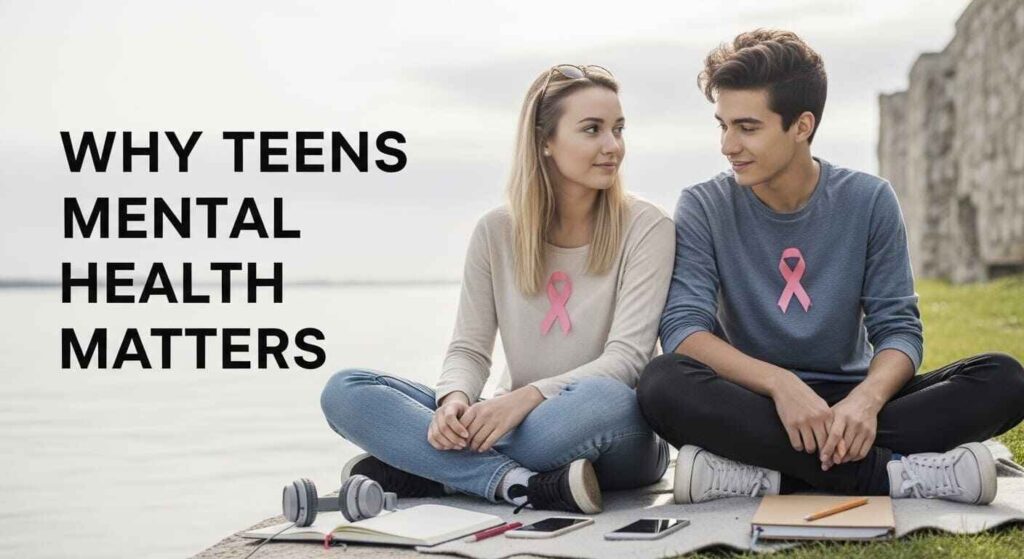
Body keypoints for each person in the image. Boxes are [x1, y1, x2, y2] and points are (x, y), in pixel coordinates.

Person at [638, 30, 1024, 506]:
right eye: (722, 125)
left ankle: (769, 475)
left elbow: (899, 331)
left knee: (1003, 378)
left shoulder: (869, 199)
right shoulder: (704, 204)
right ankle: (894, 477)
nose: (727, 145)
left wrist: (866, 401)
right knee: (662, 383)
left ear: (801, 126)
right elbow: (683, 331)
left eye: (747, 127)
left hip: (857, 403)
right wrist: (782, 385)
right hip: (755, 400)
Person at [321, 65, 674, 514]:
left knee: (601, 401)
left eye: (618, 129)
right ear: (545, 141)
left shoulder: (648, 227)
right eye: (592, 130)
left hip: (610, 430)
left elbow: (626, 361)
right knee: (345, 390)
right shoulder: (495, 232)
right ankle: (516, 483)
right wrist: (454, 401)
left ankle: (432, 469)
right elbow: (469, 350)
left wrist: (525, 398)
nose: (613, 147)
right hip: (518, 426)